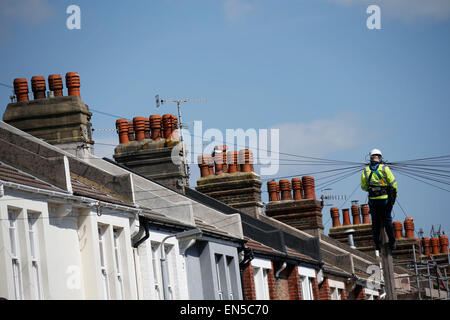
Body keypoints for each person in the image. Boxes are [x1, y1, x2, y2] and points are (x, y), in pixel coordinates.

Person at [361, 149, 398, 252]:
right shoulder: (385, 169)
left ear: (370, 158)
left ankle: (377, 244)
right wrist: (393, 198)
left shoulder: (366, 170)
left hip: (373, 201)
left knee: (375, 222)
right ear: (380, 158)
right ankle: (392, 241)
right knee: (387, 220)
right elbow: (393, 184)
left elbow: (363, 187)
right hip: (385, 200)